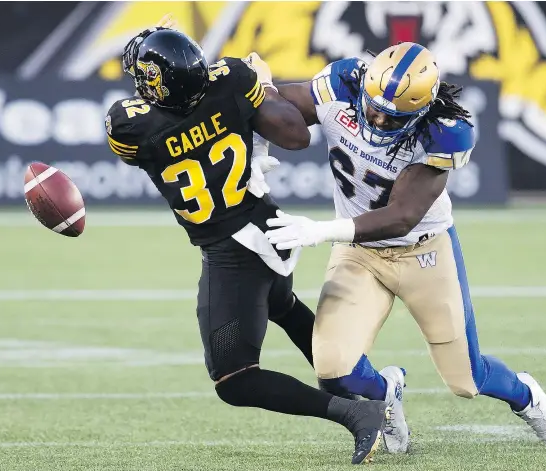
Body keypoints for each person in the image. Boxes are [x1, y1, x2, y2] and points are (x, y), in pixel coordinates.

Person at [259, 42, 546, 453]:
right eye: (373, 107)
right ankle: (386, 392)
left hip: (422, 252)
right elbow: (280, 108)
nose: (377, 118)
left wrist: (320, 231)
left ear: (421, 109)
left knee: (466, 379)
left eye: (393, 116)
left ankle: (526, 397)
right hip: (360, 255)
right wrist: (250, 88)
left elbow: (400, 216)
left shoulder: (445, 131)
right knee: (333, 369)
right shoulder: (343, 82)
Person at [104, 23, 389, 465]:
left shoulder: (128, 126)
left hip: (232, 254)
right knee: (283, 306)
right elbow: (294, 135)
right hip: (270, 228)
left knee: (234, 380)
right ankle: (366, 382)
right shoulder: (232, 79)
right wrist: (256, 89)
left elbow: (150, 118)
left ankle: (359, 413)